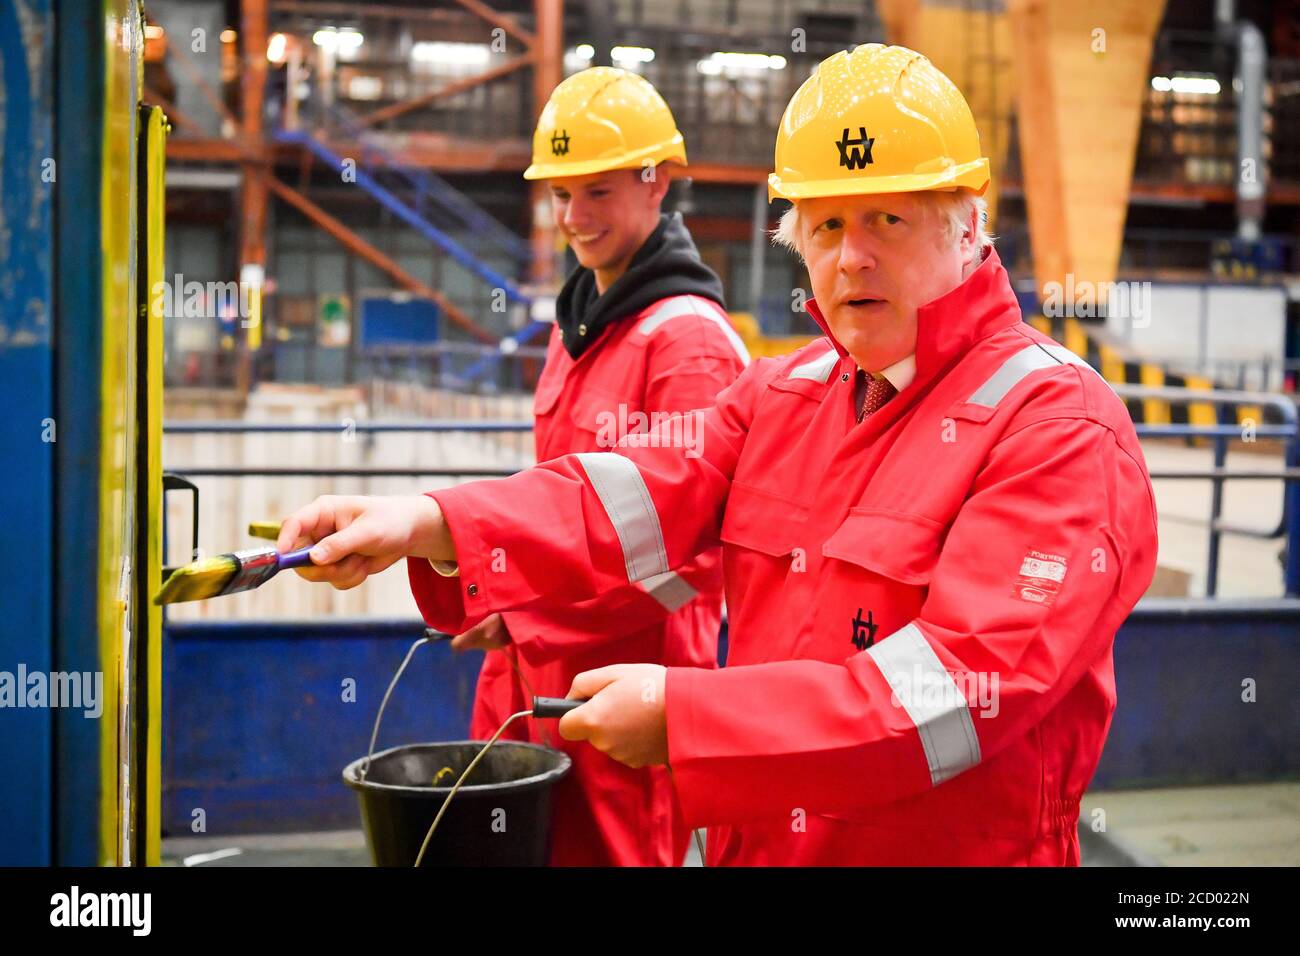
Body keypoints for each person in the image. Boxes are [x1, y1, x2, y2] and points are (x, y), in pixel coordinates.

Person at [280, 44, 1158, 865]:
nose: (852, 257)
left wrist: (691, 722)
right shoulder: (790, 390)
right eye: (824, 226)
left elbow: (957, 694)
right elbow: (640, 492)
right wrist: (432, 522)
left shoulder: (1056, 426)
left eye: (889, 218)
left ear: (967, 226)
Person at [335, 67, 746, 866]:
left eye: (596, 191)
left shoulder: (687, 342)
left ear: (656, 183)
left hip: (624, 692)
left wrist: (533, 612)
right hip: (527, 681)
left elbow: (696, 556)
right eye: (560, 195)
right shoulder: (577, 327)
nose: (573, 217)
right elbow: (558, 503)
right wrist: (512, 602)